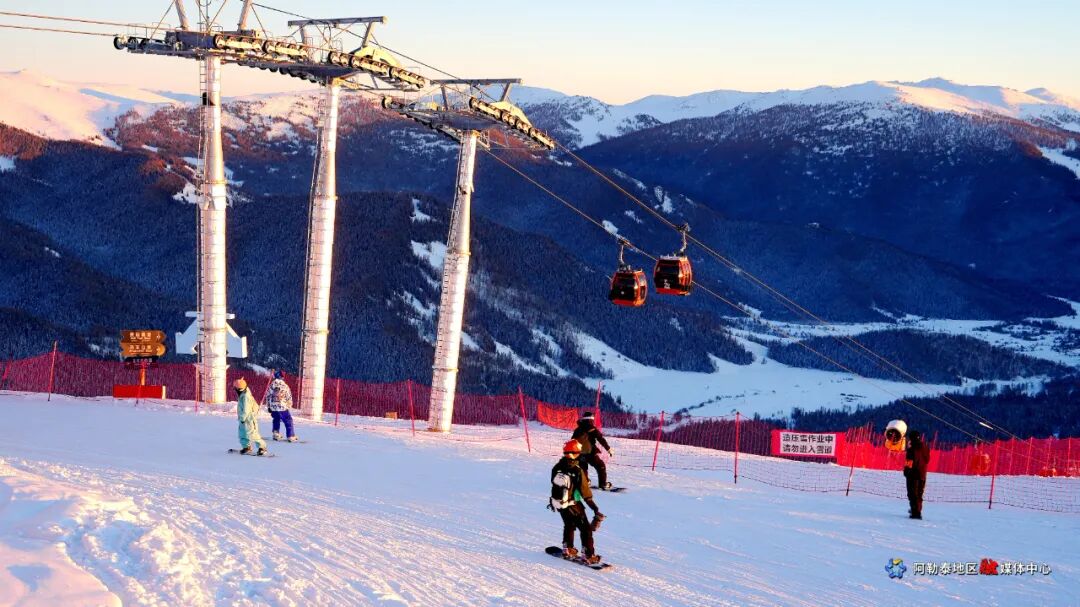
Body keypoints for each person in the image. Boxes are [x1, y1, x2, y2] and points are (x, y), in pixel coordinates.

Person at [550, 439, 605, 564]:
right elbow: (585, 492)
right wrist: (594, 508)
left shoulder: (557, 467)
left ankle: (568, 549)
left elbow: (554, 484)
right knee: (586, 529)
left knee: (569, 525)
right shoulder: (577, 470)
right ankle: (588, 555)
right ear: (575, 453)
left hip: (560, 503)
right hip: (574, 504)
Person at [571, 411, 614, 490]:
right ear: (590, 420)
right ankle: (603, 484)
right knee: (600, 466)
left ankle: (585, 482)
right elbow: (601, 439)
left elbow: (572, 441)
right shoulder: (592, 429)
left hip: (580, 454)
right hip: (590, 453)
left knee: (583, 468)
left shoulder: (577, 430)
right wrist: (608, 449)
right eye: (592, 420)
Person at [262, 370, 297, 442]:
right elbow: (288, 396)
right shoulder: (285, 386)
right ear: (282, 377)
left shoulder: (271, 385)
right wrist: (289, 405)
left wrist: (269, 406)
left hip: (273, 407)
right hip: (282, 407)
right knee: (288, 420)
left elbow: (268, 396)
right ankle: (290, 436)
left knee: (276, 419)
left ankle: (276, 433)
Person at [235, 378, 267, 456]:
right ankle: (246, 447)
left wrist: (242, 418)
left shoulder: (246, 396)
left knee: (253, 434)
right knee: (243, 434)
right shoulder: (242, 394)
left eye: (235, 388)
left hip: (249, 419)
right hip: (243, 419)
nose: (234, 389)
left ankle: (262, 447)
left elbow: (246, 410)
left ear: (239, 388)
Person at [904, 430, 930, 519]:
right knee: (919, 494)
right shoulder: (925, 447)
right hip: (922, 474)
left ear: (912, 438)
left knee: (912, 494)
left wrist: (906, 471)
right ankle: (917, 510)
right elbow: (927, 459)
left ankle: (915, 512)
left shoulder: (911, 449)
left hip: (913, 475)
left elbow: (909, 461)